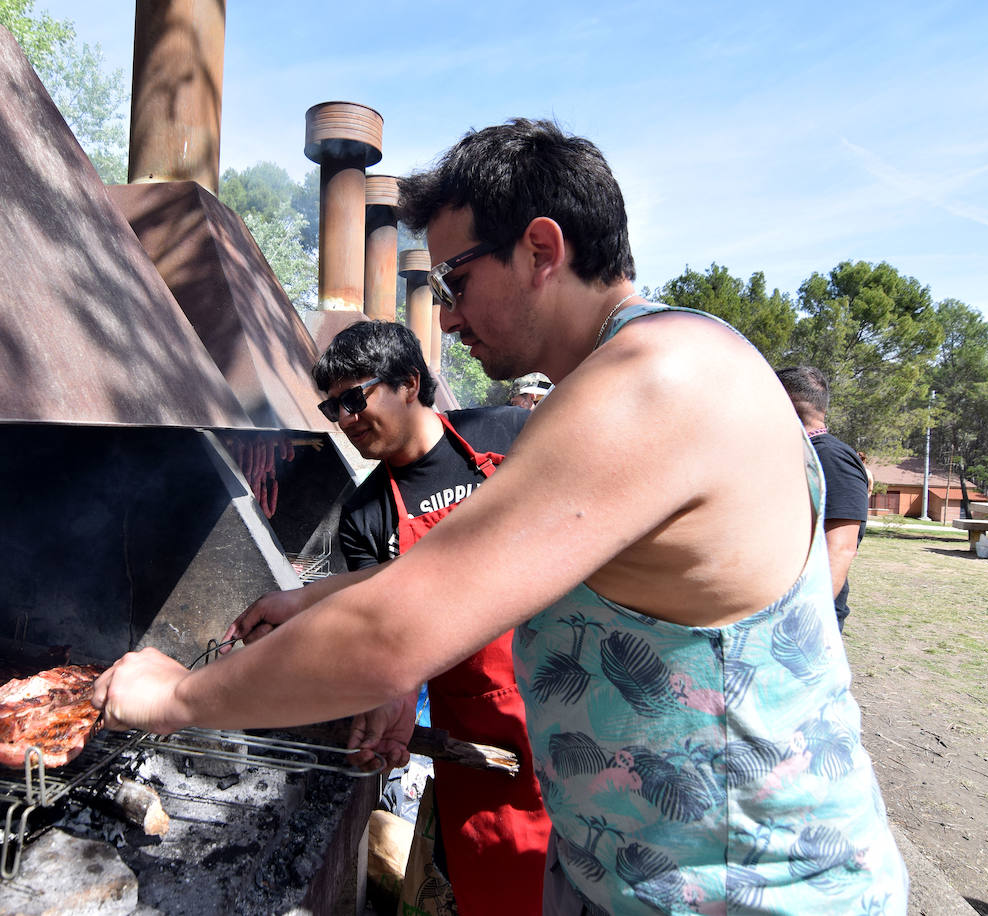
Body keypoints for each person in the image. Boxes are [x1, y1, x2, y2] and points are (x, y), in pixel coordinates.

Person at [95, 119, 908, 914]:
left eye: (455, 280)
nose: (444, 317)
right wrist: (310, 598)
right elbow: (484, 558)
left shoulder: (656, 383)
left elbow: (393, 636)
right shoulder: (654, 370)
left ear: (541, 251)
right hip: (643, 873)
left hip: (747, 889)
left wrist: (179, 697)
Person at [228, 319, 550, 916]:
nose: (345, 420)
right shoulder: (366, 511)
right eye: (333, 408)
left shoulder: (508, 432)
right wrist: (390, 686)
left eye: (355, 399)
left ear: (408, 382)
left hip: (563, 699)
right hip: (473, 732)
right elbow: (385, 623)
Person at [775, 367, 871, 632]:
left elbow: (840, 548)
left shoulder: (830, 458)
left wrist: (805, 621)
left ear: (781, 402)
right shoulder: (799, 454)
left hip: (803, 619)